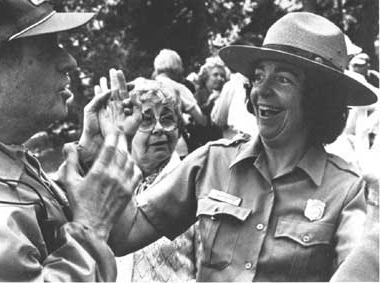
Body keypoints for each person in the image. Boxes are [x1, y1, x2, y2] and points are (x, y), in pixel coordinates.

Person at [106, 12, 378, 281]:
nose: (262, 90)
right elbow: (123, 235)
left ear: (317, 99)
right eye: (259, 77)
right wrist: (112, 145)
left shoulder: (346, 190)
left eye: (283, 79)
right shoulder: (212, 162)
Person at [0, 0, 140, 281]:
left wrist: (88, 159)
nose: (70, 61)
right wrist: (91, 225)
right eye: (46, 48)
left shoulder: (5, 154)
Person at [113, 79, 197, 282]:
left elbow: (210, 269)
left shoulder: (192, 184)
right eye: (146, 120)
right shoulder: (112, 183)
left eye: (167, 119)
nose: (159, 128)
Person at [152, 49, 207, 157]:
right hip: (177, 148)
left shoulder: (146, 85)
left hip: (152, 147)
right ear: (175, 67)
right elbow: (201, 120)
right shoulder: (179, 88)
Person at [188, 57, 229, 151]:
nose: (220, 78)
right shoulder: (198, 95)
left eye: (222, 76)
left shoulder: (225, 94)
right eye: (215, 75)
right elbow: (197, 120)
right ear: (206, 76)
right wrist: (209, 103)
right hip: (201, 145)